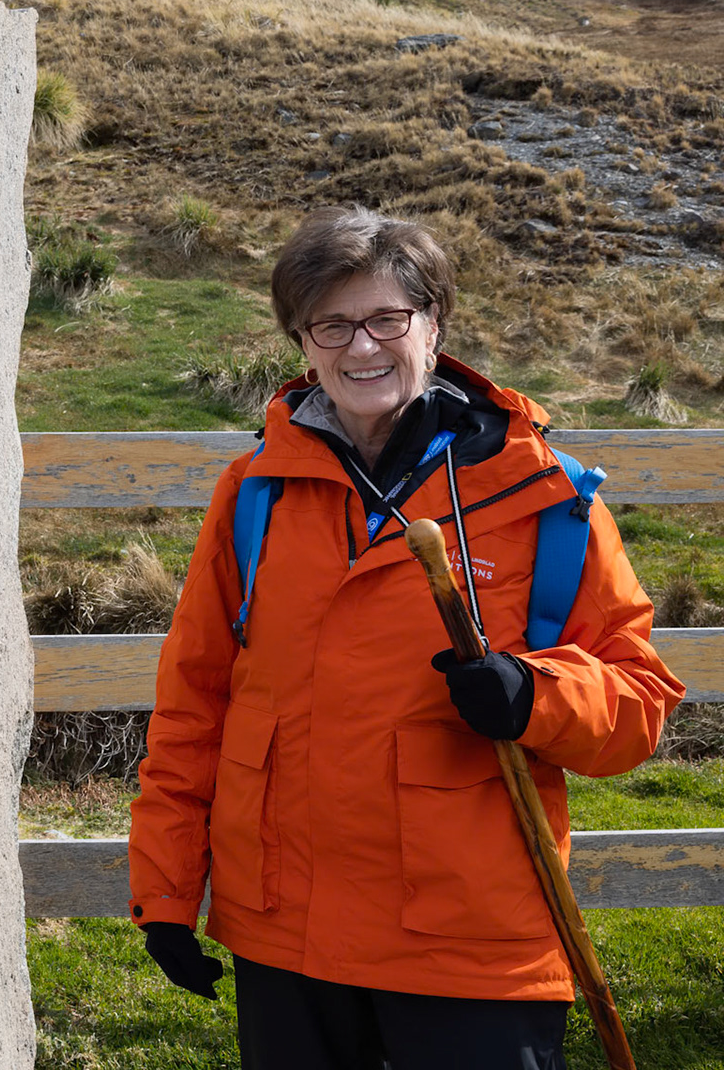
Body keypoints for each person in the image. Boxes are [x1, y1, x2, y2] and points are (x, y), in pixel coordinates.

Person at [128, 205, 683, 1069]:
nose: (361, 349)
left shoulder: (546, 498)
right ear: (302, 343)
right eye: (333, 325)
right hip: (287, 937)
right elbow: (195, 703)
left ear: (434, 326)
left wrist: (536, 695)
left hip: (469, 946)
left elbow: (639, 700)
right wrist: (166, 889)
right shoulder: (254, 495)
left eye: (387, 319)